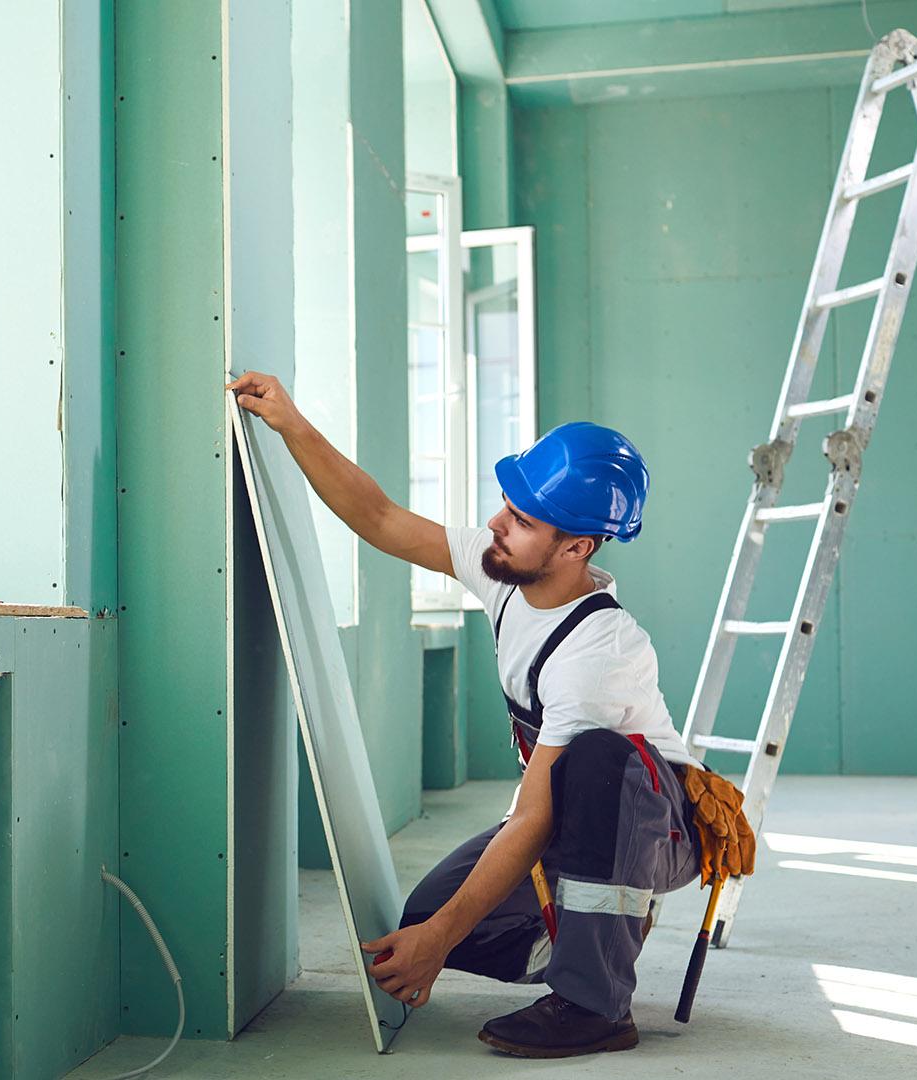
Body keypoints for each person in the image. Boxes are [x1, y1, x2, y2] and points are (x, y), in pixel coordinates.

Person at [225, 370, 700, 1058]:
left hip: (658, 824)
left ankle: (595, 1003)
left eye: (522, 520)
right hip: (576, 811)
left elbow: (535, 817)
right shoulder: (506, 567)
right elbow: (383, 519)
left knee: (597, 761)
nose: (497, 526)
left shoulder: (602, 651)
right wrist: (289, 423)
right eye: (506, 504)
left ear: (577, 548)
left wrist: (437, 944)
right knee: (424, 919)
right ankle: (585, 938)